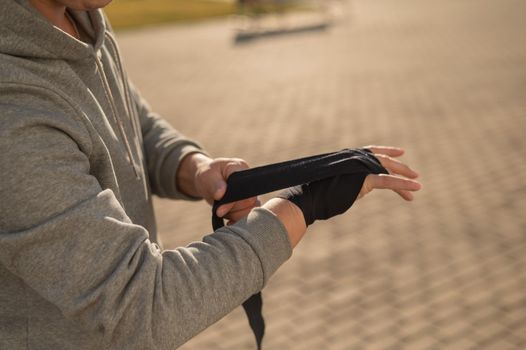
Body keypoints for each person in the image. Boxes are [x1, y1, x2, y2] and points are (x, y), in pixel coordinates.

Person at [0, 0, 422, 348]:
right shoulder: (13, 110)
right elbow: (144, 307)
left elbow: (130, 123)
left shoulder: (80, 13)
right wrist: (303, 204)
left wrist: (196, 169)